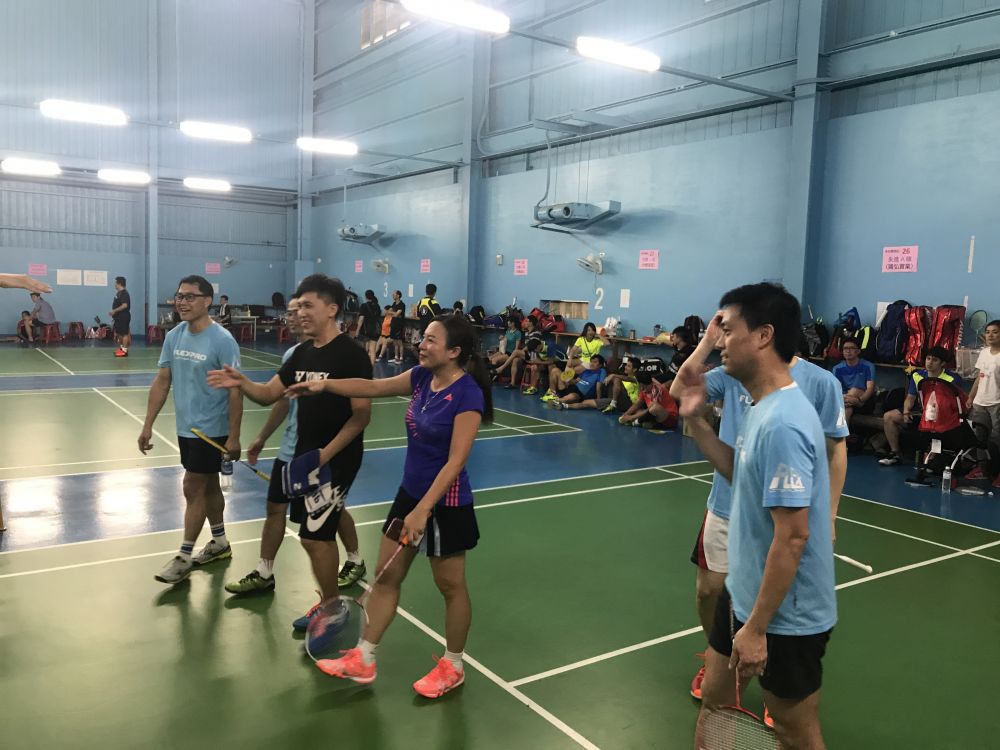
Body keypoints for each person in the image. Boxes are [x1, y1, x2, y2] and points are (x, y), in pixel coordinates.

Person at [285, 314, 493, 699]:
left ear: (454, 351)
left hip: (445, 502)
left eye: (430, 340)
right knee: (385, 576)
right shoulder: (421, 378)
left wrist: (423, 510)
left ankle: (453, 666)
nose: (421, 345)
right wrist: (325, 385)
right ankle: (363, 657)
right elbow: (373, 385)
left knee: (450, 586)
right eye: (422, 338)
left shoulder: (467, 395)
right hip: (409, 494)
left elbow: (456, 461)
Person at [674, 283, 836, 750]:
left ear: (763, 336)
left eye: (728, 330)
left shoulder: (785, 421)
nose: (720, 342)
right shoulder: (761, 407)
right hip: (742, 591)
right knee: (715, 703)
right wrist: (697, 422)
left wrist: (758, 627)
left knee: (793, 733)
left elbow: (793, 536)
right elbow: (739, 472)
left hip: (785, 615)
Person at [207, 274, 372, 640]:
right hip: (304, 456)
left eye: (309, 305)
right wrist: (242, 383)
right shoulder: (301, 353)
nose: (301, 312)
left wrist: (324, 456)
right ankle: (328, 601)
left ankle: (333, 607)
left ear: (332, 309)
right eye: (299, 306)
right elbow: (269, 395)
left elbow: (361, 416)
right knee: (312, 535)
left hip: (337, 459)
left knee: (315, 537)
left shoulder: (352, 355)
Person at [140, 275, 243, 585]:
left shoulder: (222, 340)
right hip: (186, 428)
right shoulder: (174, 336)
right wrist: (148, 424)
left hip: (212, 429)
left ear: (207, 301)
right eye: (179, 296)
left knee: (192, 486)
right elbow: (162, 381)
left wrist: (234, 436)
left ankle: (184, 556)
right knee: (209, 486)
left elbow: (235, 390)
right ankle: (220, 542)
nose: (181, 302)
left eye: (189, 296)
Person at [879, 346, 964, 466]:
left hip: (941, 415)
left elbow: (954, 402)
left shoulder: (952, 378)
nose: (930, 362)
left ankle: (933, 458)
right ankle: (895, 454)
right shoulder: (917, 375)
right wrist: (906, 411)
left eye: (934, 360)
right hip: (921, 411)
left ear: (943, 363)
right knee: (889, 416)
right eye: (928, 358)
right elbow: (910, 397)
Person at [966, 320, 1000, 486]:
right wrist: (971, 397)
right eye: (988, 332)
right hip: (980, 402)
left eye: (995, 332)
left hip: (997, 403)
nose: (990, 335)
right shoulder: (984, 353)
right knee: (979, 437)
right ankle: (982, 469)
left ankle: (997, 472)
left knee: (996, 439)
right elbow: (979, 378)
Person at [618, 365, 679, 430]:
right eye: (641, 386)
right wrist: (625, 414)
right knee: (639, 411)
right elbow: (637, 404)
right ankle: (649, 423)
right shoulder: (644, 390)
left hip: (669, 417)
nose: (642, 389)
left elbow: (650, 409)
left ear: (650, 384)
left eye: (644, 387)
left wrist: (631, 417)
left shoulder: (657, 389)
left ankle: (637, 422)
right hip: (654, 415)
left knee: (654, 408)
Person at [831, 337, 875, 423]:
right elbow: (836, 390)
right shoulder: (837, 368)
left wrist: (859, 401)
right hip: (845, 402)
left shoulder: (868, 366)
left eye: (851, 348)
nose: (848, 351)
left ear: (858, 351)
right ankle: (842, 432)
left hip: (864, 402)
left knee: (854, 390)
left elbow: (870, 388)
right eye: (845, 348)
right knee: (847, 410)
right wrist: (847, 399)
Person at [488, 317, 524, 385]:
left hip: (510, 353)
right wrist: (501, 338)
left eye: (509, 321)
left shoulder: (517, 333)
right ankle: (493, 374)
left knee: (494, 360)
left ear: (513, 323)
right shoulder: (508, 331)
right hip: (504, 351)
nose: (507, 323)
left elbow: (516, 347)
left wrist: (512, 355)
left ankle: (493, 377)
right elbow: (505, 341)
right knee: (490, 358)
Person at [356, 289, 381, 364]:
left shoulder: (364, 306)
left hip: (365, 330)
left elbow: (361, 319)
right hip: (375, 330)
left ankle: (363, 367)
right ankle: (371, 368)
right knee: (372, 351)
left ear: (366, 296)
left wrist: (357, 330)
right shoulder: (377, 306)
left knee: (363, 350)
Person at [109, 276, 132, 357]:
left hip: (123, 316)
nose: (115, 285)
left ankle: (124, 351)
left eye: (116, 283)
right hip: (118, 317)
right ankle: (122, 348)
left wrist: (114, 311)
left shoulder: (124, 293)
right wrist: (113, 313)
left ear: (119, 284)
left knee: (124, 333)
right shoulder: (118, 293)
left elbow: (125, 305)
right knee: (119, 333)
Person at [389, 289, 406, 363]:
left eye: (394, 294)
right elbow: (389, 312)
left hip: (399, 325)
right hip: (393, 324)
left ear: (398, 295)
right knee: (395, 342)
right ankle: (396, 357)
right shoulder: (393, 304)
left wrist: (392, 313)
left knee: (399, 342)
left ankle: (401, 358)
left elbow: (396, 314)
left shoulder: (402, 304)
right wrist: (393, 313)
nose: (392, 295)